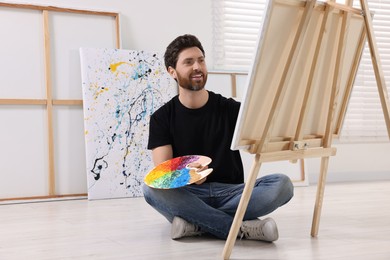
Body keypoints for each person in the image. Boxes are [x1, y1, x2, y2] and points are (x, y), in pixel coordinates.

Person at [142, 34, 293, 242]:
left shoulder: (231, 109)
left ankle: (195, 223)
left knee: (282, 184)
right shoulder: (161, 117)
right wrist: (191, 176)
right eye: (188, 62)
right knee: (151, 187)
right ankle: (240, 228)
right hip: (189, 194)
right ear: (172, 71)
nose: (197, 67)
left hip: (232, 192)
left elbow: (261, 139)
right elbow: (162, 174)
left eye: (201, 60)